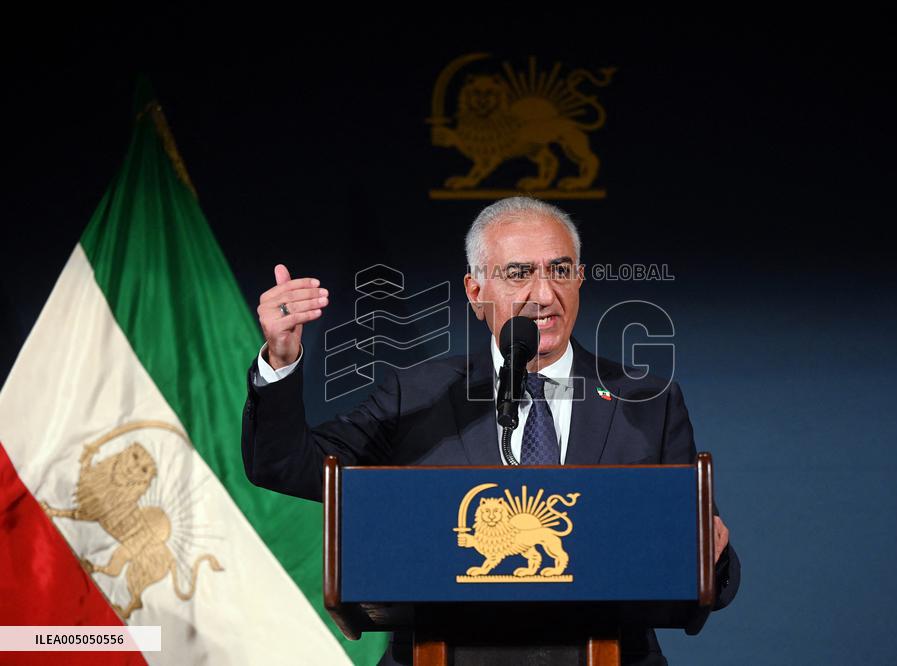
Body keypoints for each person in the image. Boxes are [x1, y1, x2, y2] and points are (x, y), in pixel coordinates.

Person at [241, 196, 740, 666]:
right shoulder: (416, 395)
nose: (543, 295)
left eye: (560, 271)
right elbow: (288, 466)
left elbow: (714, 568)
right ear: (476, 292)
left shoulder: (646, 400)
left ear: (581, 279)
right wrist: (281, 363)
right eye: (519, 273)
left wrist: (708, 557)